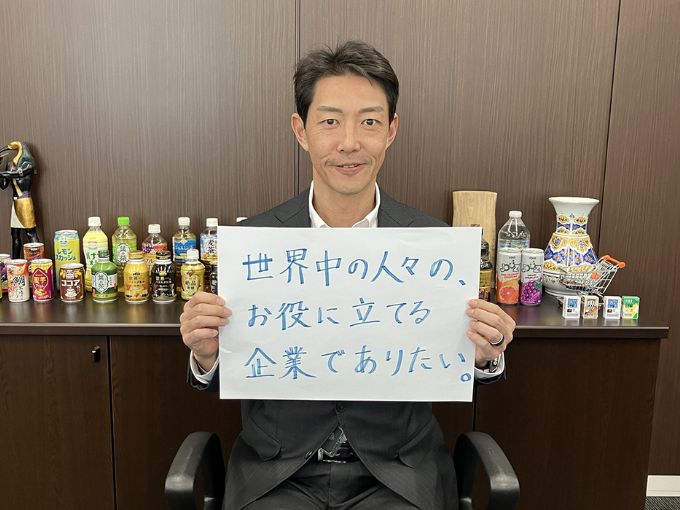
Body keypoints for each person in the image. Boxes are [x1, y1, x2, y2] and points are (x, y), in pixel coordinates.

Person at [180, 40, 516, 510]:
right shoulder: (254, 244)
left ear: (392, 130)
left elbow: (453, 366)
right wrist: (206, 355)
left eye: (370, 122)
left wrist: (485, 355)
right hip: (279, 475)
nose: (349, 143)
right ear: (301, 131)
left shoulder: (434, 246)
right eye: (330, 121)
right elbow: (234, 370)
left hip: (397, 476)